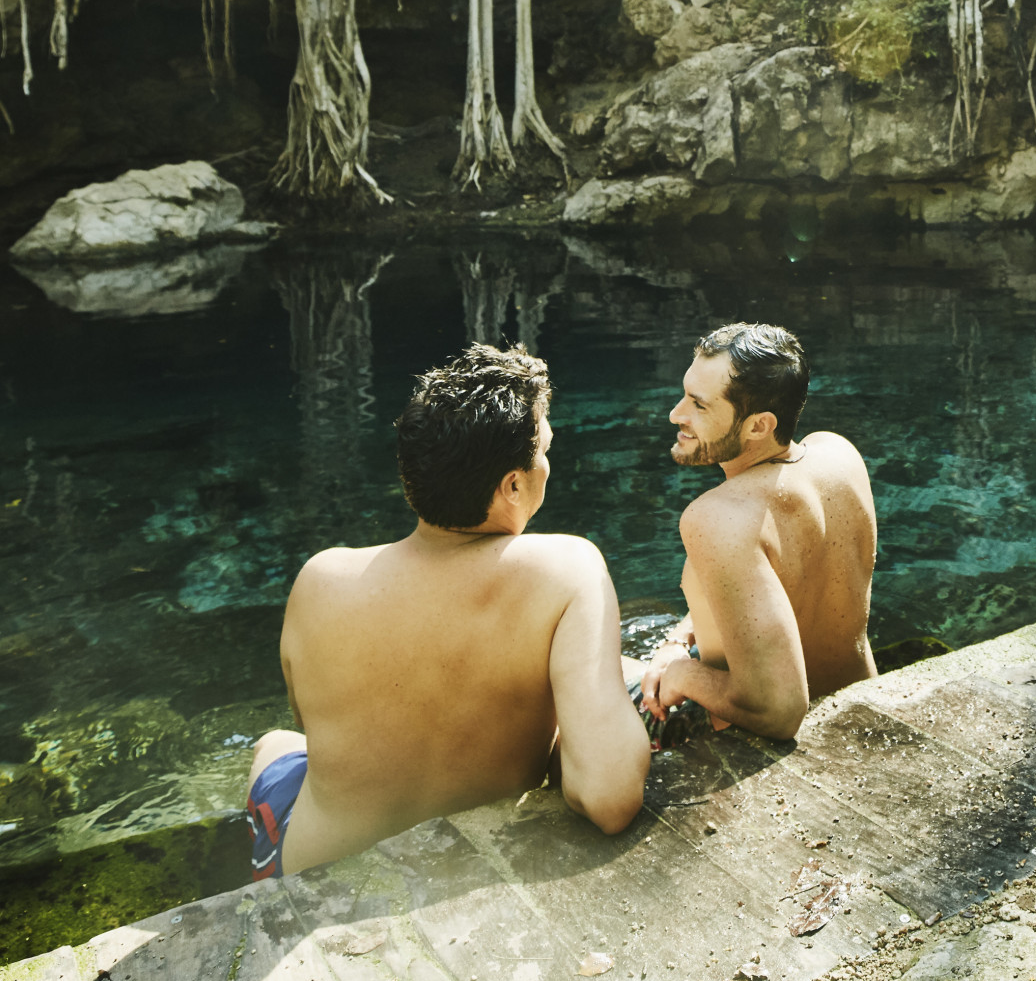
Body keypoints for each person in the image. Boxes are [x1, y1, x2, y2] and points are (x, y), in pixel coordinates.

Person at [241, 344, 650, 878]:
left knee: (276, 743)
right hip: (466, 874)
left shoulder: (320, 577)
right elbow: (609, 798)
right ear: (513, 485)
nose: (548, 463)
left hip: (317, 875)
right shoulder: (566, 569)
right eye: (545, 449)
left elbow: (320, 734)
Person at [631, 322, 878, 744]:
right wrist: (679, 639)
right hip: (859, 697)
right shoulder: (840, 456)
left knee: (585, 665)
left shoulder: (716, 516)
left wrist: (683, 673)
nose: (676, 414)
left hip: (744, 732)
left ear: (759, 426)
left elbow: (780, 710)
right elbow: (773, 585)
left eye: (699, 405)